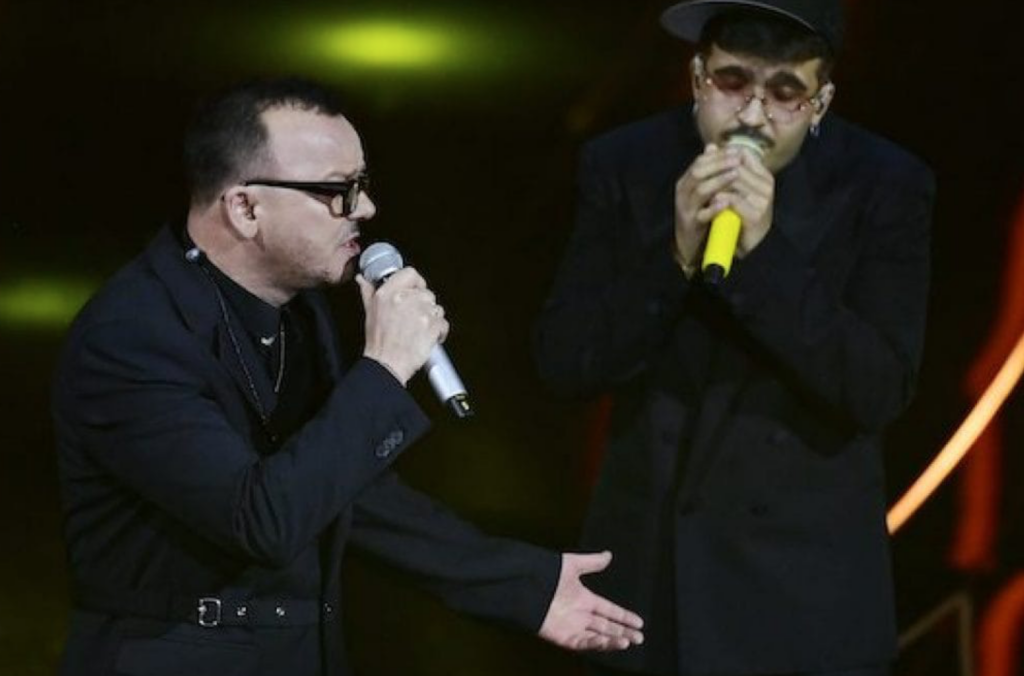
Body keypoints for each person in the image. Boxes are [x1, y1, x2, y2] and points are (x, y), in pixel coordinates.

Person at [52, 78, 644, 676]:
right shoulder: (131, 338)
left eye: (362, 184)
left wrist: (523, 585)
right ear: (245, 208)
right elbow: (260, 521)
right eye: (337, 191)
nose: (365, 209)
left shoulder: (300, 311)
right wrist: (384, 367)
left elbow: (346, 491)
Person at [533, 1, 934, 675]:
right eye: (733, 82)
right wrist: (674, 257)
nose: (753, 114)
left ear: (821, 102)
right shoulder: (626, 163)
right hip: (647, 594)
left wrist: (766, 255)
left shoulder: (885, 185)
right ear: (697, 78)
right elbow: (564, 362)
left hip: (801, 606)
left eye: (784, 92)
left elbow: (878, 389)